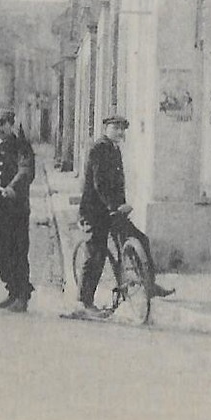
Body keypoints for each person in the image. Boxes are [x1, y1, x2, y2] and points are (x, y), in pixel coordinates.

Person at [71, 114, 173, 319]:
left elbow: (117, 184)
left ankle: (149, 285)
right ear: (106, 129)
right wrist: (114, 206)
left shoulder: (115, 149)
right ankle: (85, 302)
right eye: (115, 128)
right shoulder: (99, 148)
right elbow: (99, 183)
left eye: (122, 129)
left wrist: (120, 208)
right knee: (96, 255)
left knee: (140, 239)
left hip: (113, 210)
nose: (119, 132)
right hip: (94, 211)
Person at [0, 108, 35, 313]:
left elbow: (25, 170)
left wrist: (12, 187)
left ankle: (22, 296)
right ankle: (12, 290)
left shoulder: (22, 146)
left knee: (17, 251)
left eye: (3, 123)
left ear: (11, 125)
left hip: (17, 207)